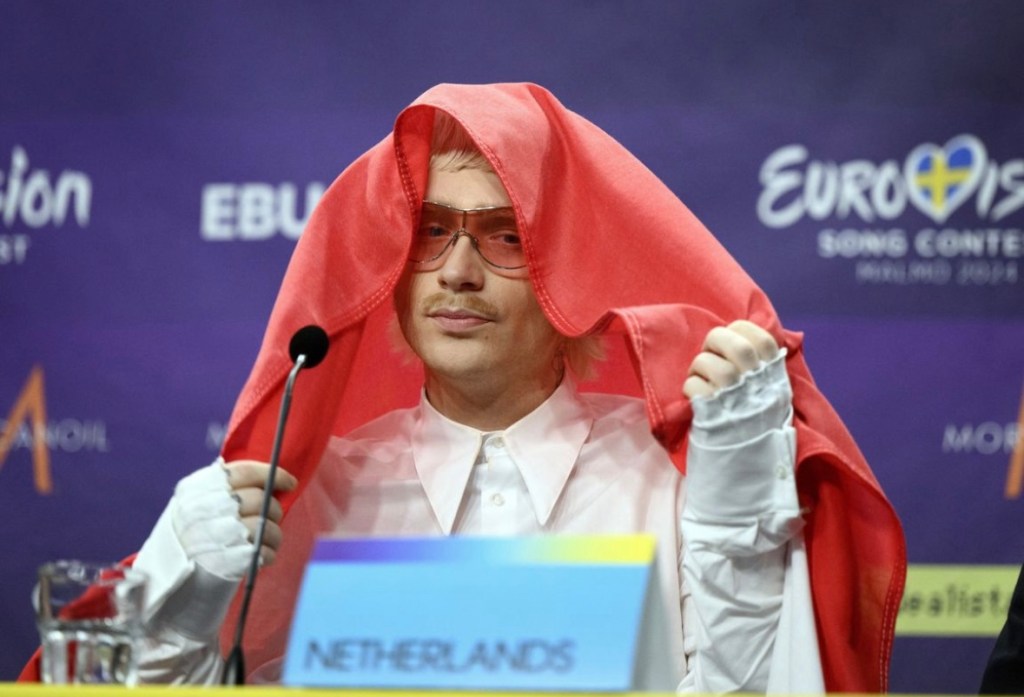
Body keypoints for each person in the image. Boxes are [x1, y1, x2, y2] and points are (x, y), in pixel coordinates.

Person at [20, 83, 904, 691]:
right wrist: (172, 604)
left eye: (505, 236)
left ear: (569, 270)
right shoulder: (315, 496)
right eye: (430, 232)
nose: (458, 271)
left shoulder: (676, 480)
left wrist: (739, 528)